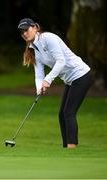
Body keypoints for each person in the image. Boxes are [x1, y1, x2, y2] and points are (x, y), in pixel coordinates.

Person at [17, 18, 92, 148]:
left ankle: (72, 147)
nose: (24, 33)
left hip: (81, 75)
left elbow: (61, 61)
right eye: (22, 31)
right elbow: (39, 73)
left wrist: (48, 80)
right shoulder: (33, 49)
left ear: (35, 27)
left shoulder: (48, 38)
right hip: (70, 80)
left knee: (69, 112)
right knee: (62, 114)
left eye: (26, 29)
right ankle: (65, 148)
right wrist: (39, 87)